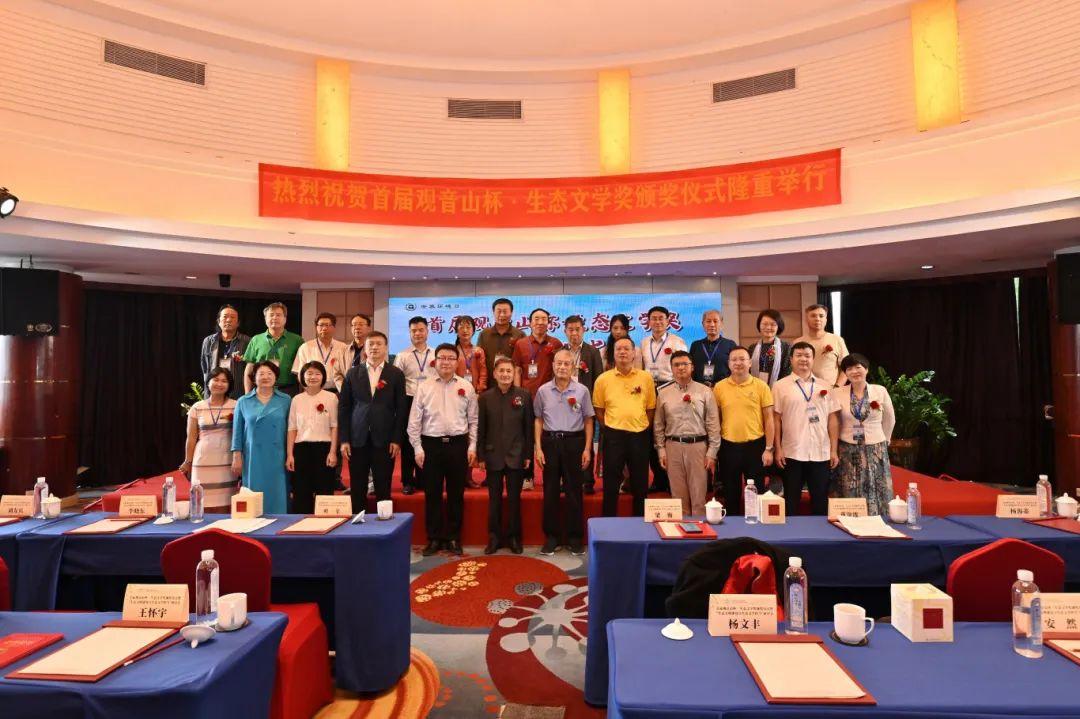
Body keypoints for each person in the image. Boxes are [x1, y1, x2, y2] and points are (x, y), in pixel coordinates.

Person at [408, 343, 478, 556]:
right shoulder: (424, 387)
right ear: (435, 361)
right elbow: (414, 422)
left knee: (457, 494)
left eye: (450, 358)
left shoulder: (466, 386)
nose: (446, 362)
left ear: (457, 362)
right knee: (432, 494)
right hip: (431, 445)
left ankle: (454, 538)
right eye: (442, 358)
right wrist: (417, 448)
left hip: (458, 445)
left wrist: (472, 445)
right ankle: (434, 538)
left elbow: (474, 420)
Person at [534, 348, 595, 556]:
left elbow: (588, 420)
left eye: (566, 364)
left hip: (574, 443)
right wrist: (538, 448)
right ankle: (551, 537)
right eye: (558, 363)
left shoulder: (582, 391)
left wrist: (587, 448)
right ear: (553, 366)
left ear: (573, 367)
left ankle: (575, 537)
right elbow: (538, 419)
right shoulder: (543, 391)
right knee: (550, 491)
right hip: (550, 442)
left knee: (574, 491)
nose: (562, 367)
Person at [339, 331, 407, 507]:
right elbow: (344, 408)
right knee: (357, 485)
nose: (374, 347)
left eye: (379, 344)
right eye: (371, 344)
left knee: (383, 485)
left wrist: (397, 439)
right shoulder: (353, 373)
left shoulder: (395, 374)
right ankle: (358, 519)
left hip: (385, 438)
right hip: (357, 437)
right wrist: (344, 439)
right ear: (365, 348)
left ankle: (384, 520)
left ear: (386, 348)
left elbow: (401, 409)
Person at [772, 342, 838, 516]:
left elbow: (832, 419)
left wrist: (833, 450)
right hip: (792, 452)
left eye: (807, 356)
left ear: (813, 359)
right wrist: (778, 449)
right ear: (791, 359)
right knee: (791, 502)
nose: (803, 359)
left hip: (821, 452)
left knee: (820, 502)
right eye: (799, 355)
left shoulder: (825, 386)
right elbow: (776, 420)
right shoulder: (779, 386)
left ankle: (820, 533)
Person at [593, 337, 656, 517]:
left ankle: (640, 523)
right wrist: (609, 427)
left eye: (626, 349)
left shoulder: (645, 378)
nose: (622, 352)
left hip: (639, 436)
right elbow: (599, 409)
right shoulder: (603, 379)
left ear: (634, 353)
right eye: (618, 349)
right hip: (613, 436)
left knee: (640, 483)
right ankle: (608, 524)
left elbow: (650, 408)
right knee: (610, 483)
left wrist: (641, 426)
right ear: (613, 353)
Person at [476, 355, 533, 555]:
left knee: (514, 500)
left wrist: (528, 454)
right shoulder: (485, 398)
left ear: (514, 373)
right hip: (493, 456)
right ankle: (494, 538)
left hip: (516, 455)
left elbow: (528, 428)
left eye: (509, 371)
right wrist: (481, 456)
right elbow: (481, 428)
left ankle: (514, 538)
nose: (505, 374)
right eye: (501, 371)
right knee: (494, 500)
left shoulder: (524, 395)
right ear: (494, 374)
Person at [654, 351, 721, 517]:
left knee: (699, 498)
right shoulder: (663, 393)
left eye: (685, 364)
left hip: (698, 447)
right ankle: (680, 532)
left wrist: (712, 452)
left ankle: (700, 532)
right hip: (672, 447)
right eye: (676, 365)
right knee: (678, 499)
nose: (681, 368)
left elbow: (713, 423)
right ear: (671, 368)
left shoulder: (705, 391)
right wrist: (661, 450)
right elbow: (659, 424)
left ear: (692, 367)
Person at [830, 353, 896, 515]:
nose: (854, 371)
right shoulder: (838, 393)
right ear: (845, 373)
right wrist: (834, 449)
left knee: (876, 484)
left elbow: (890, 418)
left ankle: (878, 517)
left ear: (866, 369)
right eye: (849, 369)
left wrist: (885, 439)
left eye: (858, 367)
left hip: (875, 448)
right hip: (848, 448)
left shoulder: (879, 391)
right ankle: (851, 518)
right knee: (849, 484)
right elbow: (834, 422)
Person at [713, 346, 774, 514]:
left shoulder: (761, 386)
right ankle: (733, 526)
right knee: (730, 491)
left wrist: (769, 448)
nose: (738, 363)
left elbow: (769, 419)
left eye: (742, 359)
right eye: (734, 360)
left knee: (755, 491)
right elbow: (716, 419)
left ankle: (754, 526)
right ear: (728, 363)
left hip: (755, 446)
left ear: (750, 363)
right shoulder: (719, 387)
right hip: (728, 446)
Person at [231, 360, 291, 513]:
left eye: (270, 373)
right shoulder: (243, 401)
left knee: (277, 492)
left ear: (276, 377)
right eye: (261, 374)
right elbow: (237, 431)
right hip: (253, 455)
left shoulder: (286, 400)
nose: (265, 377)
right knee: (254, 494)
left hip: (278, 454)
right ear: (253, 378)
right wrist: (236, 456)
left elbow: (291, 429)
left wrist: (291, 454)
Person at [639, 305, 688, 493]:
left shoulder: (677, 342)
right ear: (648, 321)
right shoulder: (644, 343)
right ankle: (658, 479)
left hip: (669, 389)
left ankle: (672, 479)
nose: (657, 321)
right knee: (652, 434)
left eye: (661, 318)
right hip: (649, 391)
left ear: (668, 321)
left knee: (670, 433)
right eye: (654, 318)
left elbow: (684, 368)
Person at [180, 367, 239, 511]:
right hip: (202, 460)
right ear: (208, 382)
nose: (219, 384)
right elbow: (191, 437)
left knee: (226, 503)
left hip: (227, 460)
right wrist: (188, 461)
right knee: (202, 502)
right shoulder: (197, 407)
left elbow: (240, 435)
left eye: (224, 381)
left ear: (229, 385)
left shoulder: (236, 405)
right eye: (216, 380)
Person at [393, 316, 439, 495]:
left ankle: (423, 478)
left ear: (427, 331)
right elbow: (397, 381)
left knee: (427, 439)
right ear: (409, 333)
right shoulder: (402, 355)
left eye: (421, 330)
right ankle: (407, 480)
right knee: (408, 442)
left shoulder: (435, 354)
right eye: (414, 331)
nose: (417, 333)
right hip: (408, 399)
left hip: (430, 400)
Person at [286, 361, 339, 514]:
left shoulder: (331, 397)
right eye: (309, 373)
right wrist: (290, 454)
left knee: (325, 491)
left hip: (324, 448)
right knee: (301, 492)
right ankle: (302, 524)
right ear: (302, 376)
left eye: (317, 373)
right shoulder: (296, 399)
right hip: (301, 449)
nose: (313, 377)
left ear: (323, 377)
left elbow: (334, 426)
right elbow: (292, 428)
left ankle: (325, 524)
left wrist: (333, 452)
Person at [563, 315, 605, 494]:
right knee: (566, 443)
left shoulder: (592, 351)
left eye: (577, 329)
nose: (574, 333)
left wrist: (595, 405)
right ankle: (567, 480)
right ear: (565, 331)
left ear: (583, 330)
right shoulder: (560, 351)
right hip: (564, 404)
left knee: (586, 441)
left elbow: (599, 379)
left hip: (585, 404)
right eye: (570, 330)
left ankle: (587, 480)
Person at [242, 302, 304, 396]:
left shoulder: (297, 340)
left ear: (285, 319)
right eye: (271, 315)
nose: (274, 318)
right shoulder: (256, 339)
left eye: (278, 315)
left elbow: (302, 369)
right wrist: (247, 394)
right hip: (261, 389)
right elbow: (249, 368)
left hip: (288, 390)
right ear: (265, 319)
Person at [200, 305, 250, 399]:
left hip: (238, 393)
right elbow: (205, 368)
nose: (228, 320)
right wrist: (207, 390)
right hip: (213, 392)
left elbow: (250, 368)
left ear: (238, 323)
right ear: (219, 321)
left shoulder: (247, 341)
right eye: (225, 316)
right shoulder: (209, 341)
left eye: (232, 317)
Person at [796, 304, 850, 388]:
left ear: (826, 319)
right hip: (803, 389)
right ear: (806, 319)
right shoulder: (797, 342)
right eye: (813, 316)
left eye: (821, 316)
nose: (817, 319)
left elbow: (847, 366)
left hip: (830, 389)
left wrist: (837, 387)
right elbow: (793, 369)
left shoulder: (837, 340)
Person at [292, 312, 348, 392]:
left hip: (337, 391)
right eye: (321, 325)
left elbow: (347, 372)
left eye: (327, 325)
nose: (324, 328)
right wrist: (309, 391)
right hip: (313, 391)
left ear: (334, 327)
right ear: (316, 327)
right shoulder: (305, 347)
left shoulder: (343, 347)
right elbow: (300, 373)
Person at [513, 307, 562, 397]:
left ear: (548, 323)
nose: (540, 322)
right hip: (527, 393)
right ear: (530, 323)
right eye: (536, 319)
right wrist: (517, 393)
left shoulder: (556, 343)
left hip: (551, 394)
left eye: (544, 319)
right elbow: (517, 370)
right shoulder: (521, 344)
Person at [478, 297, 524, 380]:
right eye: (499, 311)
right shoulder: (484, 334)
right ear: (493, 312)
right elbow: (479, 360)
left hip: (511, 381)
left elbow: (522, 361)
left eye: (505, 311)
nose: (502, 315)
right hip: (489, 381)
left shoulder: (519, 334)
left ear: (511, 313)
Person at [688, 309, 736, 387]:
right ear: (703, 324)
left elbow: (735, 368)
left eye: (715, 321)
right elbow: (690, 369)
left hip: (724, 388)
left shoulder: (730, 344)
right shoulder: (696, 345)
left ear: (722, 324)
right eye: (708, 321)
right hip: (699, 389)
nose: (712, 324)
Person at [747, 309, 792, 389]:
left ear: (778, 326)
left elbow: (787, 372)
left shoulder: (786, 347)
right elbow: (748, 371)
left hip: (779, 390)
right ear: (759, 325)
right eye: (764, 324)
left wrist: (777, 389)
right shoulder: (752, 348)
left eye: (773, 324)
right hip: (755, 390)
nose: (768, 327)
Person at [453, 314, 488, 393]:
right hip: (456, 391)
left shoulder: (479, 351)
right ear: (456, 331)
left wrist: (480, 389)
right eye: (461, 327)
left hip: (475, 392)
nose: (465, 330)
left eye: (468, 327)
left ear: (473, 331)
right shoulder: (453, 351)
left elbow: (483, 372)